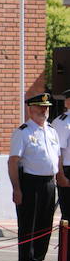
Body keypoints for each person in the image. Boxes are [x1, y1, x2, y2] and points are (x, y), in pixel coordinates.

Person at [9, 93, 60, 261]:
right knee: (28, 223)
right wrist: (16, 188)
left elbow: (56, 158)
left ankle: (39, 259)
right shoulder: (23, 132)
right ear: (30, 109)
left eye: (46, 107)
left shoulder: (52, 131)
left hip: (48, 182)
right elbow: (13, 161)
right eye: (40, 107)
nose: (44, 110)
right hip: (30, 182)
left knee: (45, 224)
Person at [51, 89, 70, 223]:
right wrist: (60, 175)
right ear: (67, 102)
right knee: (68, 216)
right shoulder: (62, 122)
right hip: (67, 170)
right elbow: (57, 151)